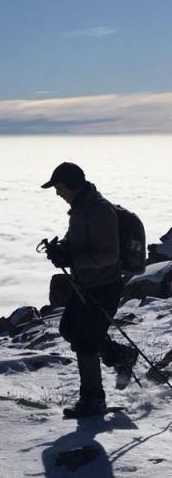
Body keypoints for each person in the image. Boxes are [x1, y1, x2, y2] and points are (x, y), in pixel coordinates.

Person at [41, 162, 138, 418]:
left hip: (104, 285)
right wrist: (62, 249)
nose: (57, 193)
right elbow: (78, 240)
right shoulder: (81, 208)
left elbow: (109, 255)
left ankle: (93, 401)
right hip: (87, 283)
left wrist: (71, 260)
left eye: (59, 187)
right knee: (69, 329)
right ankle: (122, 357)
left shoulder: (99, 210)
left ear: (72, 185)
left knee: (86, 342)